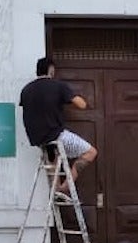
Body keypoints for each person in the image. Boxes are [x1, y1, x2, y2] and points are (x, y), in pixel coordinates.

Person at [18, 57, 97, 195]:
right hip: (56, 135)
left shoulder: (26, 90)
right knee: (91, 152)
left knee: (54, 157)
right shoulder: (58, 86)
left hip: (38, 138)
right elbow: (81, 104)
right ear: (51, 69)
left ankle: (57, 190)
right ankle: (66, 186)